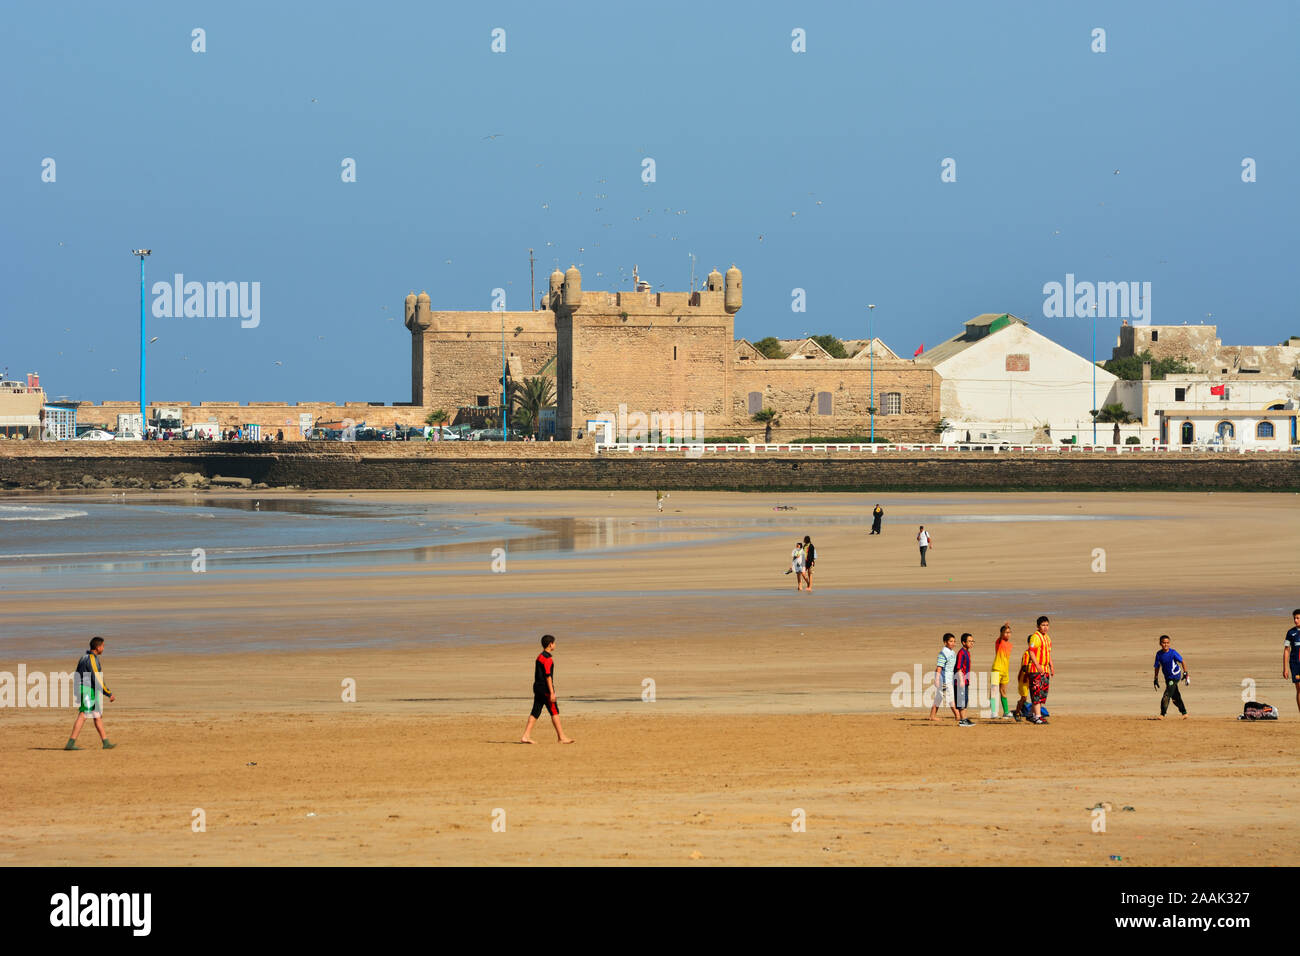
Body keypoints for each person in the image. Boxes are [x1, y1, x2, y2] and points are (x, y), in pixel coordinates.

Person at [66, 636, 116, 750]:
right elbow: (97, 678)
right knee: (83, 715)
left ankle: (106, 742)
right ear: (98, 647)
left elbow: (77, 675)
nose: (103, 648)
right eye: (103, 646)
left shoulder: (83, 658)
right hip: (88, 689)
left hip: (86, 689)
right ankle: (70, 743)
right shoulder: (92, 659)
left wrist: (77, 691)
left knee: (97, 715)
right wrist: (108, 693)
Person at [521, 635, 573, 744]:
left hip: (537, 687)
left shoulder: (539, 656)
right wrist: (552, 692)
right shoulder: (548, 659)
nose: (555, 645)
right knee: (554, 711)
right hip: (545, 689)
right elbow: (548, 676)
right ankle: (561, 737)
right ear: (550, 644)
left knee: (535, 711)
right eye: (554, 643)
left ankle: (525, 736)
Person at [1153, 634, 1189, 719]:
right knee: (1175, 697)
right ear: (1160, 643)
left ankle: (1162, 713)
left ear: (1170, 643)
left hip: (1175, 675)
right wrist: (1156, 678)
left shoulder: (1173, 653)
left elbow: (1182, 661)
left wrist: (1185, 673)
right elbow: (1157, 666)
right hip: (1167, 677)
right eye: (1164, 643)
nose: (1166, 644)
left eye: (1167, 643)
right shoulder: (1159, 654)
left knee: (1167, 694)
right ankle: (1184, 712)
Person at [1026, 616, 1053, 724]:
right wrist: (1037, 665)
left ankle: (1031, 714)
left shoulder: (1047, 637)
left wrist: (1051, 666)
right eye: (1043, 625)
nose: (1045, 627)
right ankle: (1037, 716)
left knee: (1042, 694)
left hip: (1045, 669)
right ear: (1038, 626)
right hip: (1036, 669)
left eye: (1047, 625)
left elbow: (1048, 653)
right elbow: (1031, 651)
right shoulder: (1035, 637)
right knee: (1036, 692)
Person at [928, 633, 960, 722]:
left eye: (954, 641)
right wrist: (937, 679)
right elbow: (939, 667)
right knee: (950, 697)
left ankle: (932, 716)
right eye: (951, 641)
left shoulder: (952, 652)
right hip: (944, 679)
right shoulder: (943, 653)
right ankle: (957, 715)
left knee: (939, 697)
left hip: (949, 678)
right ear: (945, 642)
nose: (953, 643)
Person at [990, 623, 1013, 719]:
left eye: (1009, 632)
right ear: (1002, 633)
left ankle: (1006, 711)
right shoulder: (999, 642)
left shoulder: (1010, 645)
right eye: (1006, 632)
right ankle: (993, 712)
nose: (1008, 634)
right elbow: (1000, 637)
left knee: (1003, 691)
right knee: (994, 691)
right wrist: (1004, 628)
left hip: (1005, 671)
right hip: (996, 669)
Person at [954, 633, 975, 726]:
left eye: (972, 641)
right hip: (960, 681)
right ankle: (962, 720)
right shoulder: (961, 653)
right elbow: (958, 668)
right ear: (963, 642)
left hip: (965, 680)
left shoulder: (967, 652)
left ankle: (964, 718)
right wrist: (961, 680)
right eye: (969, 641)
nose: (971, 643)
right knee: (961, 700)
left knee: (965, 699)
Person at [1284, 609, 1300, 715]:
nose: (1295, 620)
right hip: (1295, 664)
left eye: (1298, 618)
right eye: (1294, 618)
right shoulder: (1290, 633)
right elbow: (1286, 650)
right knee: (1299, 688)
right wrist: (1285, 668)